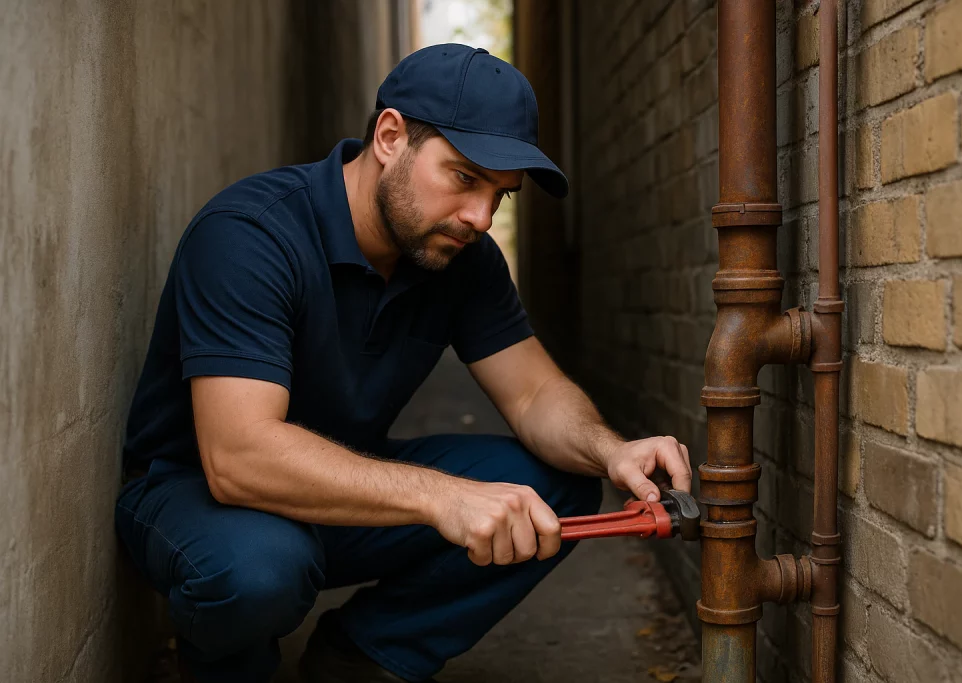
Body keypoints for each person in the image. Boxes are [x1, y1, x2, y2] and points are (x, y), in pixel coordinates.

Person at [114, 43, 691, 683]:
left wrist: (610, 451)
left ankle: (362, 657)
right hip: (198, 500)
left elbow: (532, 395)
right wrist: (442, 498)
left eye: (500, 196)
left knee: (554, 486)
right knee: (260, 570)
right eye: (464, 177)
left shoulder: (460, 256)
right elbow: (238, 458)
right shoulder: (251, 234)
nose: (480, 217)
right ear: (391, 136)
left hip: (341, 497)